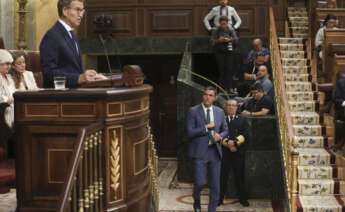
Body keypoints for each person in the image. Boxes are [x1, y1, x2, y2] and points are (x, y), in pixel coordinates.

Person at [40, 0, 106, 88]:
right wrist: (78, 78)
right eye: (78, 10)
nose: (81, 15)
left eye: (82, 10)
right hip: (60, 97)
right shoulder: (52, 36)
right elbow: (49, 74)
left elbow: (74, 70)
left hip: (75, 93)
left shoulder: (71, 34)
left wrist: (91, 77)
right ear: (65, 11)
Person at [186, 86, 228, 212]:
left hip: (215, 152)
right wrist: (206, 127)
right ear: (202, 96)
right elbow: (190, 132)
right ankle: (197, 200)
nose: (207, 97)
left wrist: (220, 136)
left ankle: (211, 210)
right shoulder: (193, 111)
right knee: (200, 182)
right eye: (205, 94)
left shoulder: (220, 112)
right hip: (200, 152)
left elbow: (226, 129)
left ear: (214, 98)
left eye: (210, 95)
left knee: (215, 186)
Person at [219, 99, 249, 207]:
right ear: (226, 107)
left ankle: (243, 199)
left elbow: (245, 135)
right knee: (222, 177)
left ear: (237, 107)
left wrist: (235, 144)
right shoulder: (222, 119)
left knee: (240, 177)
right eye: (229, 105)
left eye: (233, 105)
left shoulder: (242, 119)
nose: (231, 107)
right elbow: (218, 134)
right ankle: (219, 198)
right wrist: (228, 144)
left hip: (237, 153)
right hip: (225, 153)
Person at [210, 16, 238, 93]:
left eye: (225, 24)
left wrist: (230, 39)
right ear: (220, 23)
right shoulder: (216, 30)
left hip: (229, 52)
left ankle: (229, 88)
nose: (223, 25)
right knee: (221, 71)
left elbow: (236, 40)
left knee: (229, 70)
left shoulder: (231, 30)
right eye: (222, 24)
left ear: (227, 23)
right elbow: (212, 42)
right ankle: (221, 89)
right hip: (219, 53)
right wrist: (219, 40)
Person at [0, 49, 15, 128]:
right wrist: (9, 100)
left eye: (10, 64)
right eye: (6, 64)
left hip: (15, 108)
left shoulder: (10, 78)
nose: (9, 66)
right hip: (5, 111)